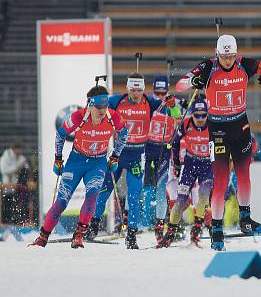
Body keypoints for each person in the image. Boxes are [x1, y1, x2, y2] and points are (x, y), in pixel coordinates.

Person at [188, 34, 261, 251]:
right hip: (217, 130)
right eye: (224, 57)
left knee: (244, 176)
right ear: (217, 54)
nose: (228, 61)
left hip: (240, 127)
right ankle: (216, 229)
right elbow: (183, 82)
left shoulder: (245, 63)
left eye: (231, 56)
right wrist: (193, 81)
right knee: (221, 181)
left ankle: (246, 219)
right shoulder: (208, 67)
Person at [30, 85, 128, 248]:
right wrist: (58, 159)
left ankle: (79, 235)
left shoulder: (113, 117)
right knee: (62, 200)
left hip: (97, 164)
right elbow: (60, 134)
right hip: (76, 162)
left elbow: (124, 135)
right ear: (90, 104)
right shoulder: (78, 117)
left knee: (92, 194)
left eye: (105, 106)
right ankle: (42, 237)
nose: (102, 111)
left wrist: (115, 156)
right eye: (98, 107)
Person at [88, 72, 177, 249]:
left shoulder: (150, 102)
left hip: (137, 156)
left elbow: (174, 114)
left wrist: (172, 104)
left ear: (143, 89)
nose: (135, 94)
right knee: (104, 190)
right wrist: (94, 98)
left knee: (134, 196)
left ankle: (131, 235)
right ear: (128, 88)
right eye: (132, 90)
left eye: (139, 90)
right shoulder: (116, 101)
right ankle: (93, 226)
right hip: (117, 155)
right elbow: (96, 106)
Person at [158, 99, 213, 248]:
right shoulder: (186, 122)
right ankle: (170, 234)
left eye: (203, 115)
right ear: (192, 114)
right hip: (189, 165)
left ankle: (196, 231)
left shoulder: (213, 124)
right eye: (197, 115)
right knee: (181, 200)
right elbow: (175, 144)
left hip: (206, 166)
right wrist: (175, 163)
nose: (200, 119)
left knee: (202, 198)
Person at [143, 74, 183, 239]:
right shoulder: (148, 104)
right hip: (148, 147)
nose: (160, 96)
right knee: (146, 188)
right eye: (157, 93)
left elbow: (179, 119)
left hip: (164, 150)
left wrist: (172, 105)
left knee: (161, 188)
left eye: (163, 93)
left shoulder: (172, 105)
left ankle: (159, 226)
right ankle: (142, 223)